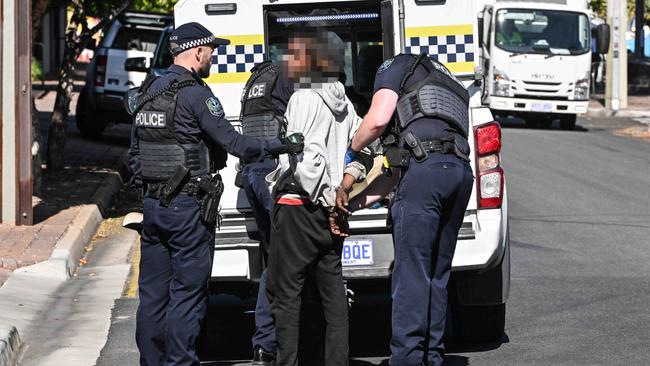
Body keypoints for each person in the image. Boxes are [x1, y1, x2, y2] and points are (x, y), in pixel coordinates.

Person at [127, 22, 303, 366]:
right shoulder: (196, 94)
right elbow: (236, 144)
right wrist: (282, 144)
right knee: (187, 295)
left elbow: (134, 153)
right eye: (211, 50)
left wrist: (148, 194)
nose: (213, 56)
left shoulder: (148, 91)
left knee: (151, 296)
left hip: (154, 207)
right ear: (197, 52)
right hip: (187, 209)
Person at [336, 53, 474, 366]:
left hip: (426, 176)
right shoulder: (444, 81)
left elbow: (377, 120)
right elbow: (393, 177)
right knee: (435, 275)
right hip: (458, 172)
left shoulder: (393, 67)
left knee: (412, 273)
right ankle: (431, 356)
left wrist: (352, 149)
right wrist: (353, 205)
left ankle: (408, 359)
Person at [264, 30, 373, 366]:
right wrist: (343, 187)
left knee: (286, 297)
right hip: (332, 213)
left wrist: (325, 196)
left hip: (300, 207)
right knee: (333, 296)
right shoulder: (346, 104)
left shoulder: (304, 97)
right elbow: (366, 148)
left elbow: (305, 159)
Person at [237, 60, 292, 365]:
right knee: (288, 259)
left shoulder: (258, 78)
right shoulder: (288, 76)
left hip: (253, 173)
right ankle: (287, 342)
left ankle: (265, 343)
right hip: (273, 175)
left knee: (274, 260)